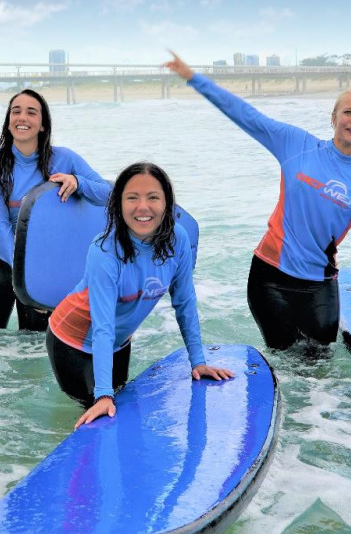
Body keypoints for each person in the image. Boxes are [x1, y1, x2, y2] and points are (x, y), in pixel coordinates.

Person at [162, 50, 351, 352]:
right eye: (348, 112)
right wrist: (194, 78)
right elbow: (244, 114)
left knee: (319, 370)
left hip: (320, 287)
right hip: (269, 279)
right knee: (285, 364)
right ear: (334, 118)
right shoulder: (295, 144)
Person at [46, 162, 234, 428]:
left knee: (119, 407)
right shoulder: (104, 252)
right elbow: (102, 326)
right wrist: (102, 394)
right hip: (72, 341)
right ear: (118, 205)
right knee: (96, 413)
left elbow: (185, 302)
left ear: (167, 203)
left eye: (153, 197)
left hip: (119, 342)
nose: (142, 207)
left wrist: (198, 361)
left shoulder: (177, 240)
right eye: (132, 198)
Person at [0, 89, 111, 331]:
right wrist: (26, 277)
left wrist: (79, 183)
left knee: (34, 345)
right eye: (16, 112)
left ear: (43, 125)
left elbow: (110, 195)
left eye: (31, 112)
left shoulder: (64, 158)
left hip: (45, 261)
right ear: (8, 123)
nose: (22, 117)